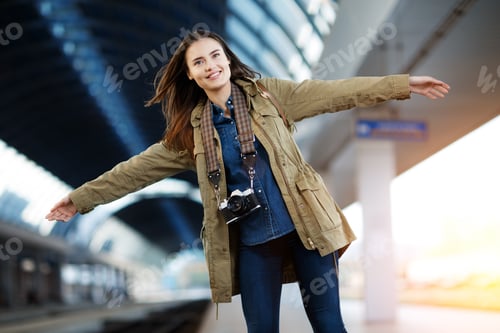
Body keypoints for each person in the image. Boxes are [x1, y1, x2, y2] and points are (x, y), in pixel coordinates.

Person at [46, 29, 450, 333]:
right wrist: (80, 199)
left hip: (306, 227)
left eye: (215, 56)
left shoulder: (271, 96)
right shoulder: (189, 133)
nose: (211, 65)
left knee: (329, 324)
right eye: (199, 62)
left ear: (227, 58)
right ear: (190, 75)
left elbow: (336, 93)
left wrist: (402, 85)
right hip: (254, 243)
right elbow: (134, 170)